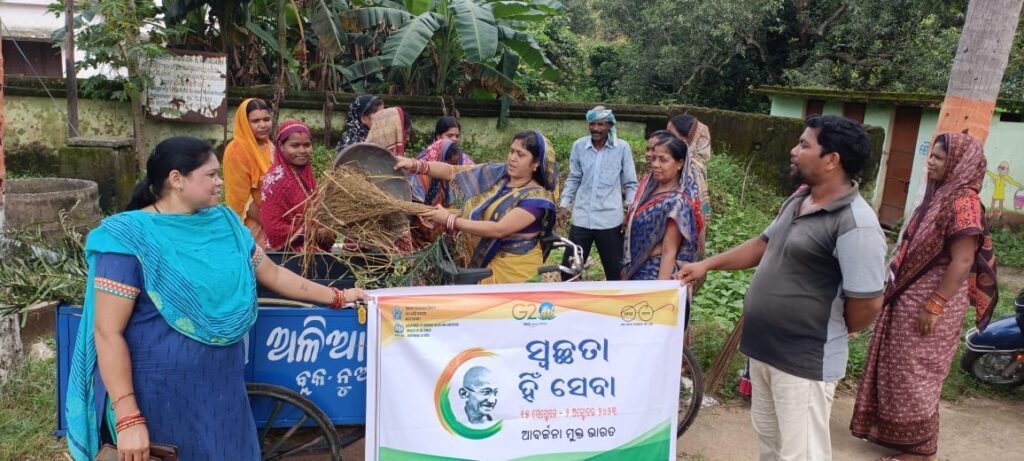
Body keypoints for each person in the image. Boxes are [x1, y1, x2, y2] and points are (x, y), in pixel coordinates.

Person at [64, 136, 369, 461]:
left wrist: (337, 296)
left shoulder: (226, 225)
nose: (220, 181)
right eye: (211, 174)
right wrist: (128, 418)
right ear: (177, 179)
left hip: (222, 389)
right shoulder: (127, 238)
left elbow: (276, 275)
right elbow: (107, 332)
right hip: (158, 397)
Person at [678, 115, 887, 461]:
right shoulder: (800, 199)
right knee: (772, 448)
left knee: (802, 454)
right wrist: (707, 264)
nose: (794, 150)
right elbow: (763, 244)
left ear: (832, 159)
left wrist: (827, 327)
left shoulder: (855, 224)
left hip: (803, 362)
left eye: (804, 145)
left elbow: (867, 304)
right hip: (764, 352)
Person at [850, 133, 998, 461]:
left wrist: (934, 305)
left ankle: (918, 450)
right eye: (931, 155)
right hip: (910, 298)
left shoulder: (964, 203)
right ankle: (903, 436)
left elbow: (963, 260)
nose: (930, 162)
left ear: (959, 164)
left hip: (932, 303)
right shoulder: (940, 195)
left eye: (940, 157)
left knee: (916, 373)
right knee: (900, 368)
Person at [396, 131, 558, 284]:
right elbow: (452, 172)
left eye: (520, 154)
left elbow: (499, 229)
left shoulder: (536, 198)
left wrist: (450, 220)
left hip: (515, 276)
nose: (512, 158)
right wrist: (415, 164)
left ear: (536, 163)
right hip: (485, 270)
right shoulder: (498, 174)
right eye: (511, 151)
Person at [558, 106, 639, 281]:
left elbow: (630, 184)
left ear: (609, 125)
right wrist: (564, 205)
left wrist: (630, 212)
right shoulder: (579, 146)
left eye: (601, 124)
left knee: (615, 272)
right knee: (569, 270)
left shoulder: (622, 148)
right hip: (582, 218)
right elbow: (574, 177)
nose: (596, 128)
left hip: (610, 220)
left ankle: (614, 299)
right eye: (592, 124)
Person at [622, 132, 703, 280]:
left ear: (680, 163)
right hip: (635, 268)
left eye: (663, 160)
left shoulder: (677, 202)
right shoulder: (647, 190)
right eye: (654, 158)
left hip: (653, 274)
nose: (655, 164)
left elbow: (668, 252)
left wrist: (661, 288)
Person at [261, 120, 335, 252]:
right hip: (288, 255)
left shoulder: (306, 174)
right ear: (281, 146)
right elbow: (274, 230)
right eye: (295, 146)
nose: (302, 151)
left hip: (313, 251)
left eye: (307, 145)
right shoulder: (275, 182)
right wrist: (314, 233)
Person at [223, 98, 273, 247]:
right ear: (244, 123)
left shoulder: (270, 147)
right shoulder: (236, 150)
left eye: (266, 119)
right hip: (252, 224)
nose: (263, 125)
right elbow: (243, 199)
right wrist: (272, 225)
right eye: (255, 121)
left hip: (273, 221)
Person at [667, 114, 712, 217]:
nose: (665, 139)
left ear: (687, 139)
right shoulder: (689, 164)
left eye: (670, 135)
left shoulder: (691, 168)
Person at [409, 139, 475, 208]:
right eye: (449, 164)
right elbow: (416, 205)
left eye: (454, 164)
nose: (451, 167)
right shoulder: (420, 176)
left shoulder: (449, 177)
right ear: (440, 159)